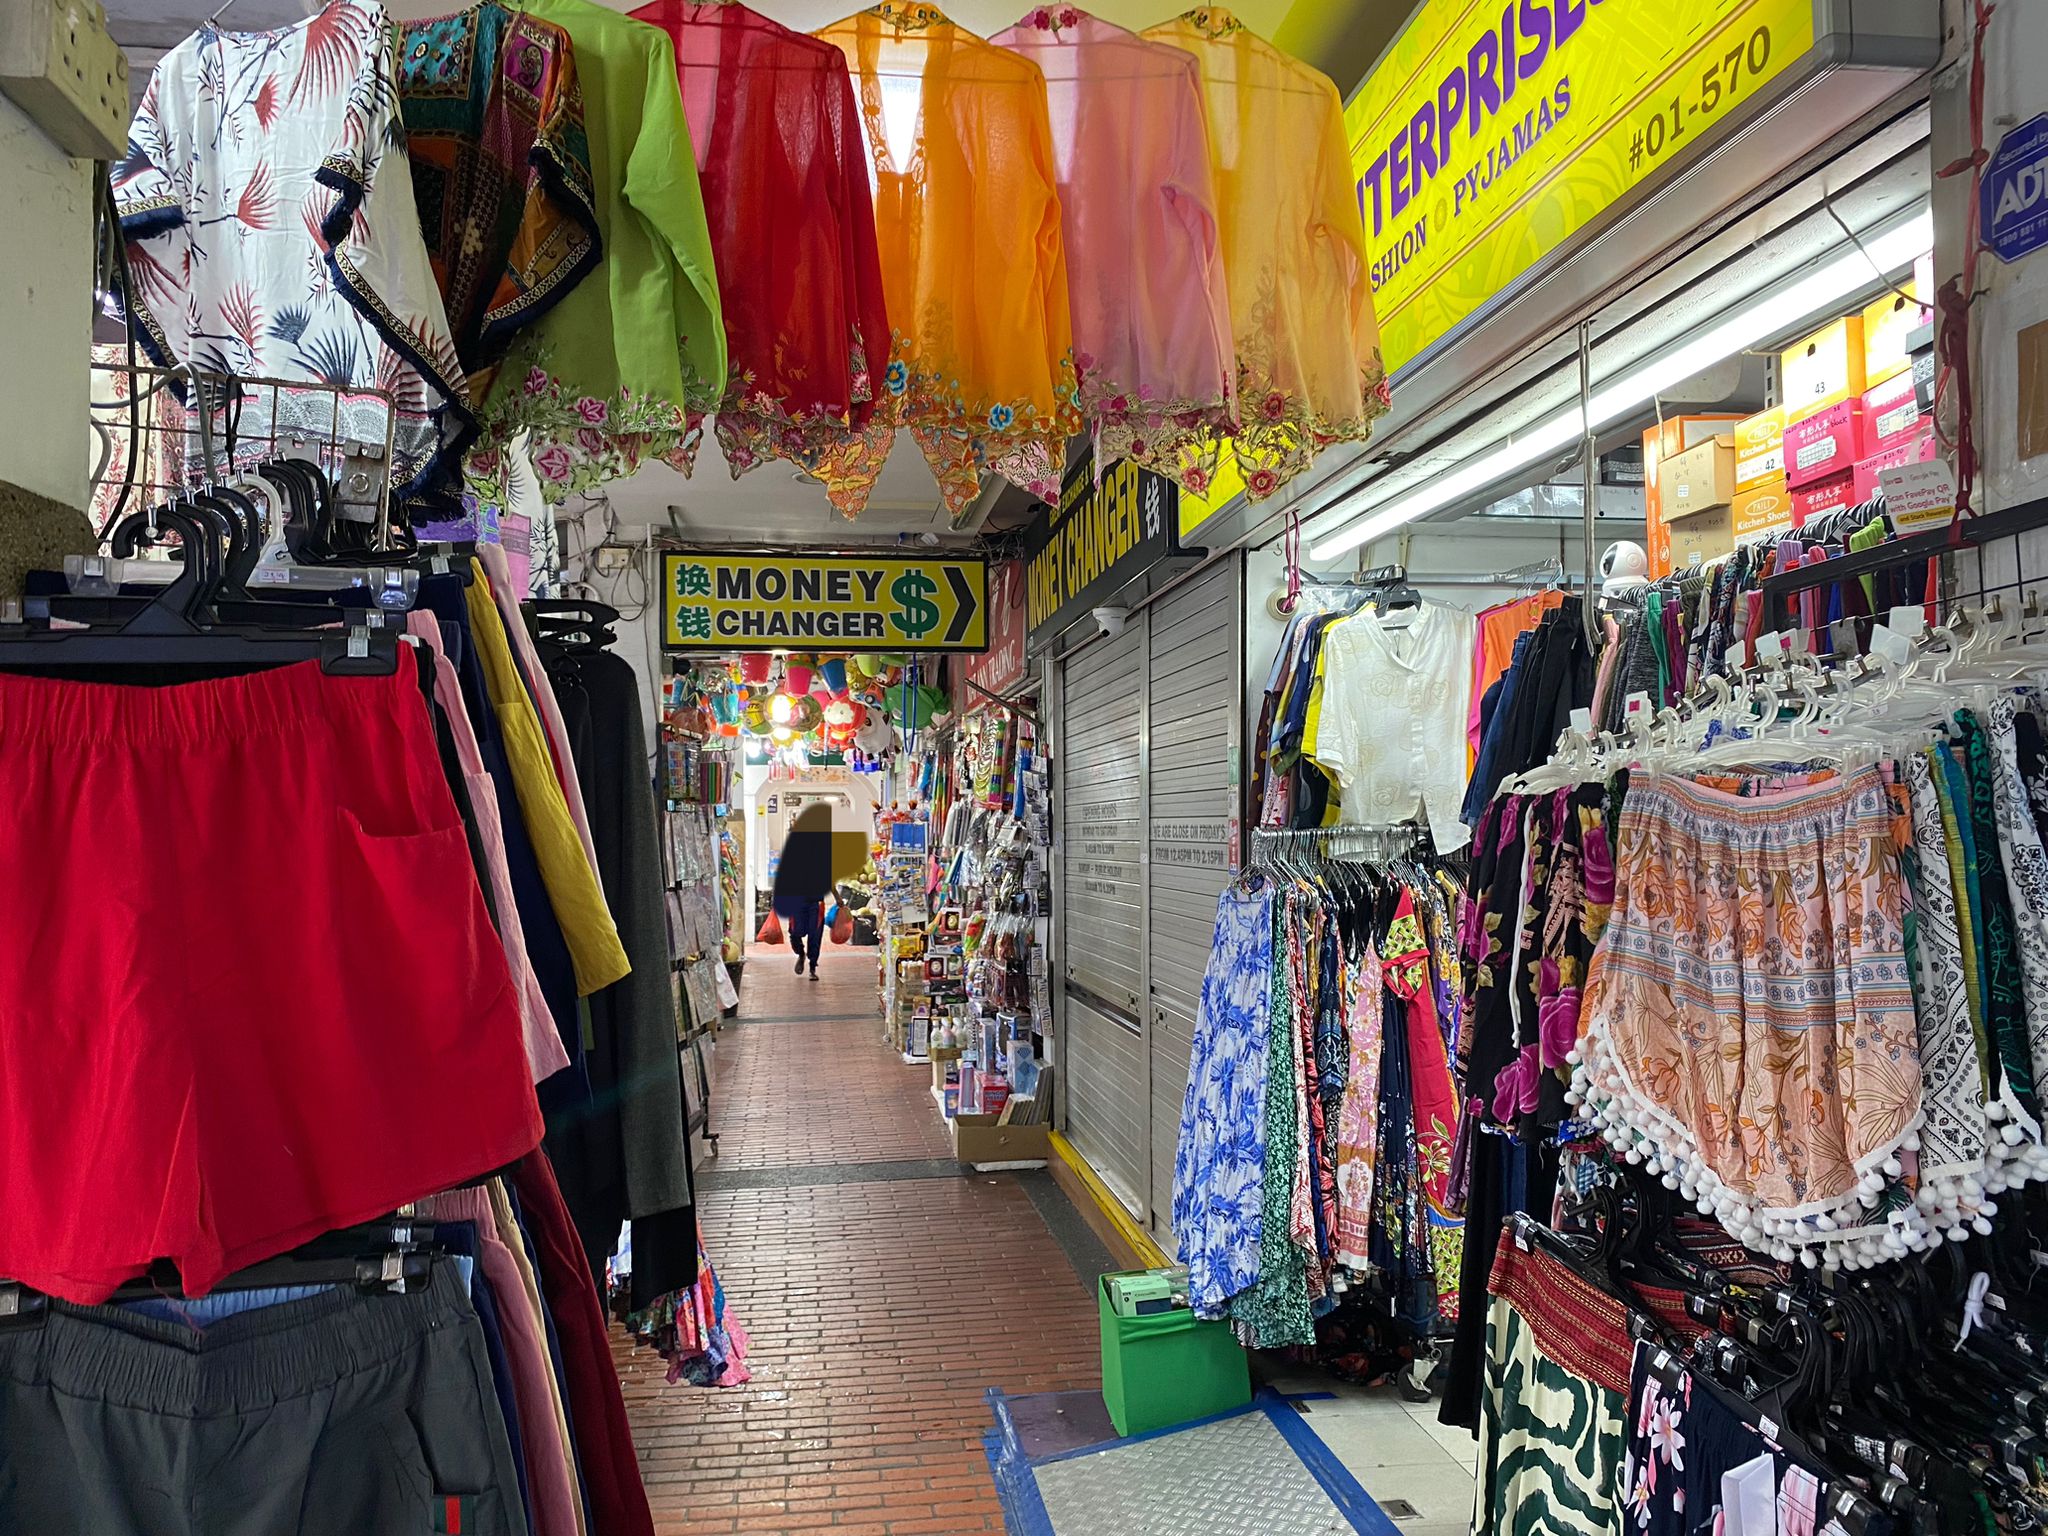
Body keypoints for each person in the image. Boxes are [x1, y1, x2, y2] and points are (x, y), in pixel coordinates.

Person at [773, 803, 833, 978]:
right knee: (795, 932)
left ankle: (813, 967)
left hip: (816, 902)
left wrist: (837, 899)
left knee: (815, 936)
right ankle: (800, 954)